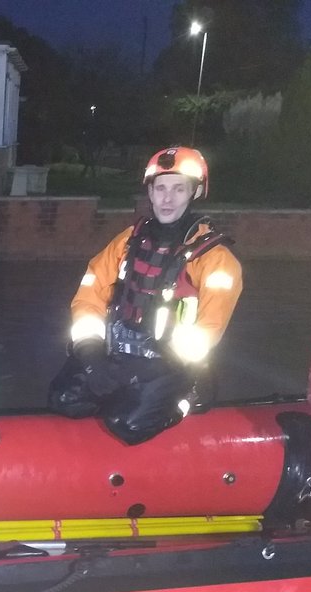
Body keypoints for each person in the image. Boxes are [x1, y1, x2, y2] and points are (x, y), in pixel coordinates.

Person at [48, 146, 243, 444]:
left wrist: (153, 369)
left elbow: (208, 330)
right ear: (150, 192)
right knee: (64, 399)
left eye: (179, 189)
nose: (168, 198)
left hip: (174, 364)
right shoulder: (127, 242)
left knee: (126, 424)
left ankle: (188, 399)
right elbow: (90, 294)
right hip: (121, 354)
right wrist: (91, 355)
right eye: (160, 188)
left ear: (195, 192)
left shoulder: (216, 258)